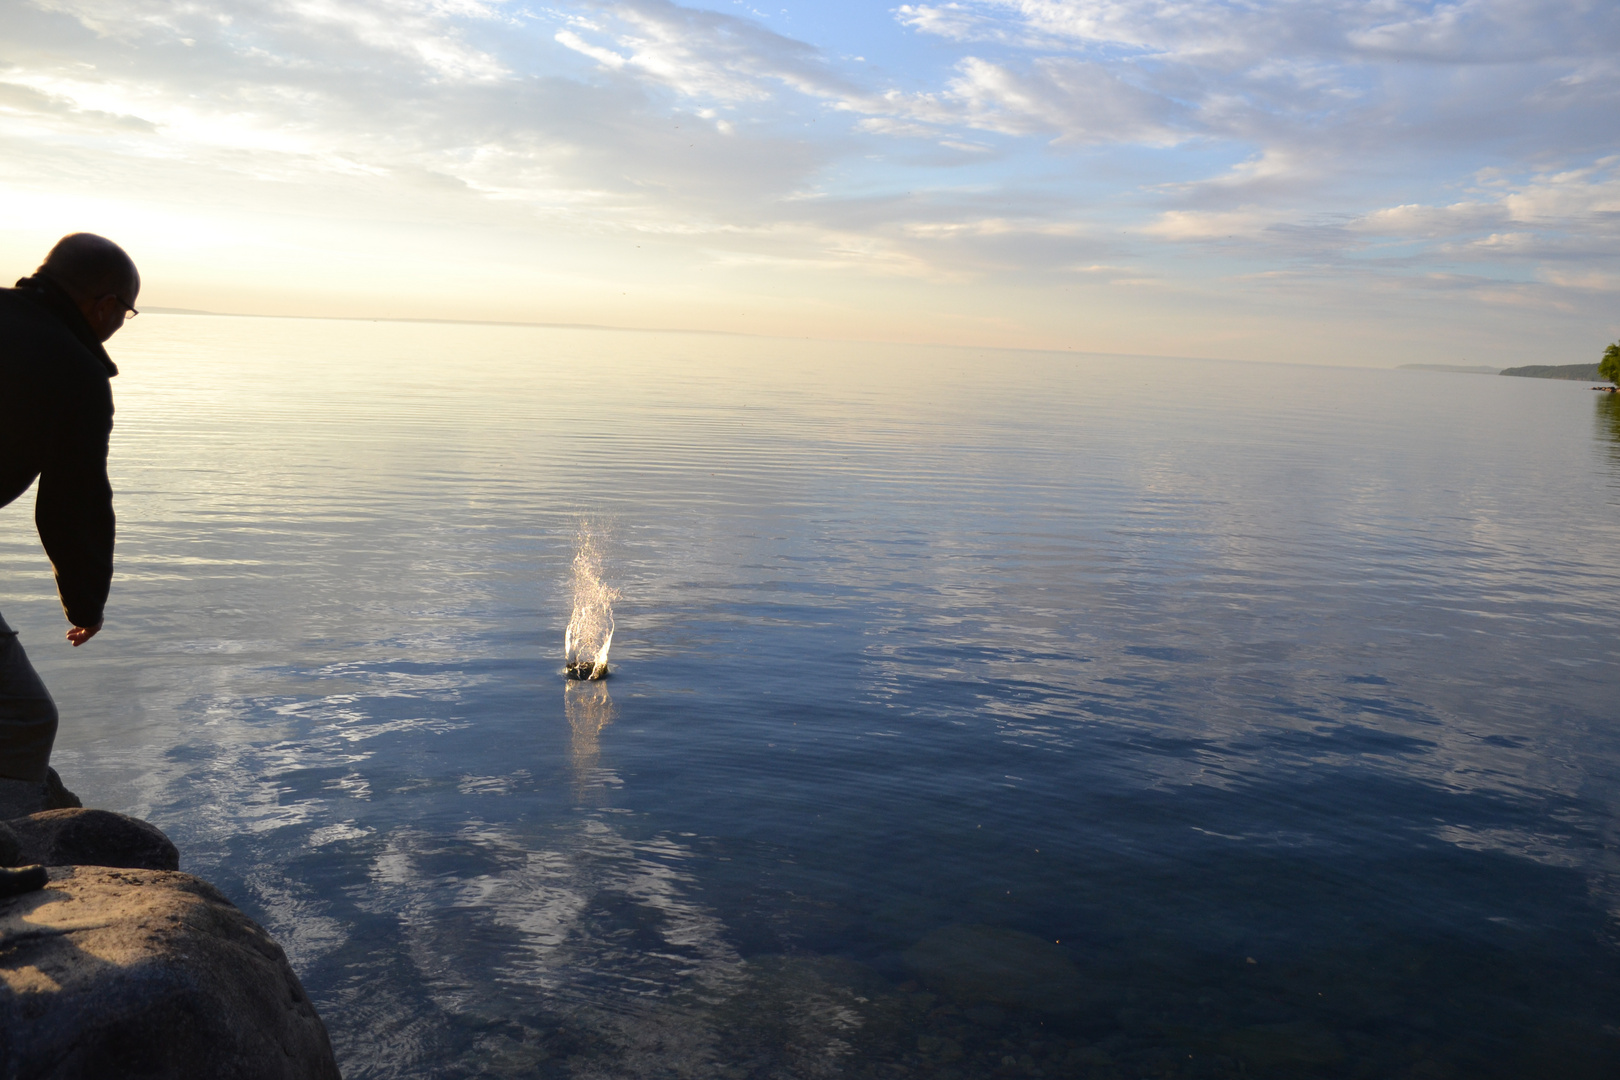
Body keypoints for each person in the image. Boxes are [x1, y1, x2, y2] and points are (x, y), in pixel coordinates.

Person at [0, 233, 138, 817]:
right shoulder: (75, 371)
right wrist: (86, 604)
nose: (120, 325)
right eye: (125, 314)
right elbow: (73, 502)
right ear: (103, 305)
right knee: (22, 716)